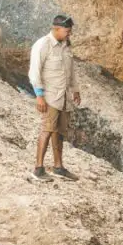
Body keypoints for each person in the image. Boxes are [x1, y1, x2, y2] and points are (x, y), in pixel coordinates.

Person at [28, 15, 80, 182]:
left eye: (70, 31)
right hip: (50, 96)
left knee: (59, 131)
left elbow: (70, 71)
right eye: (67, 31)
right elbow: (34, 72)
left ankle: (59, 167)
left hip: (63, 97)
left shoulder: (65, 46)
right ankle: (38, 169)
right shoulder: (43, 45)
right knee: (47, 130)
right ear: (56, 29)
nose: (69, 34)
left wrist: (75, 90)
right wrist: (39, 96)